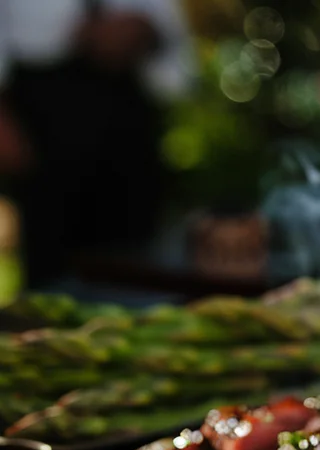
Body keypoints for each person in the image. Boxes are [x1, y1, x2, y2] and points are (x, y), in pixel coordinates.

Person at [0, 0, 193, 286]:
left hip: (126, 115)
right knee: (52, 266)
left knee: (138, 258)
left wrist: (145, 32)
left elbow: (172, 46)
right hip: (42, 120)